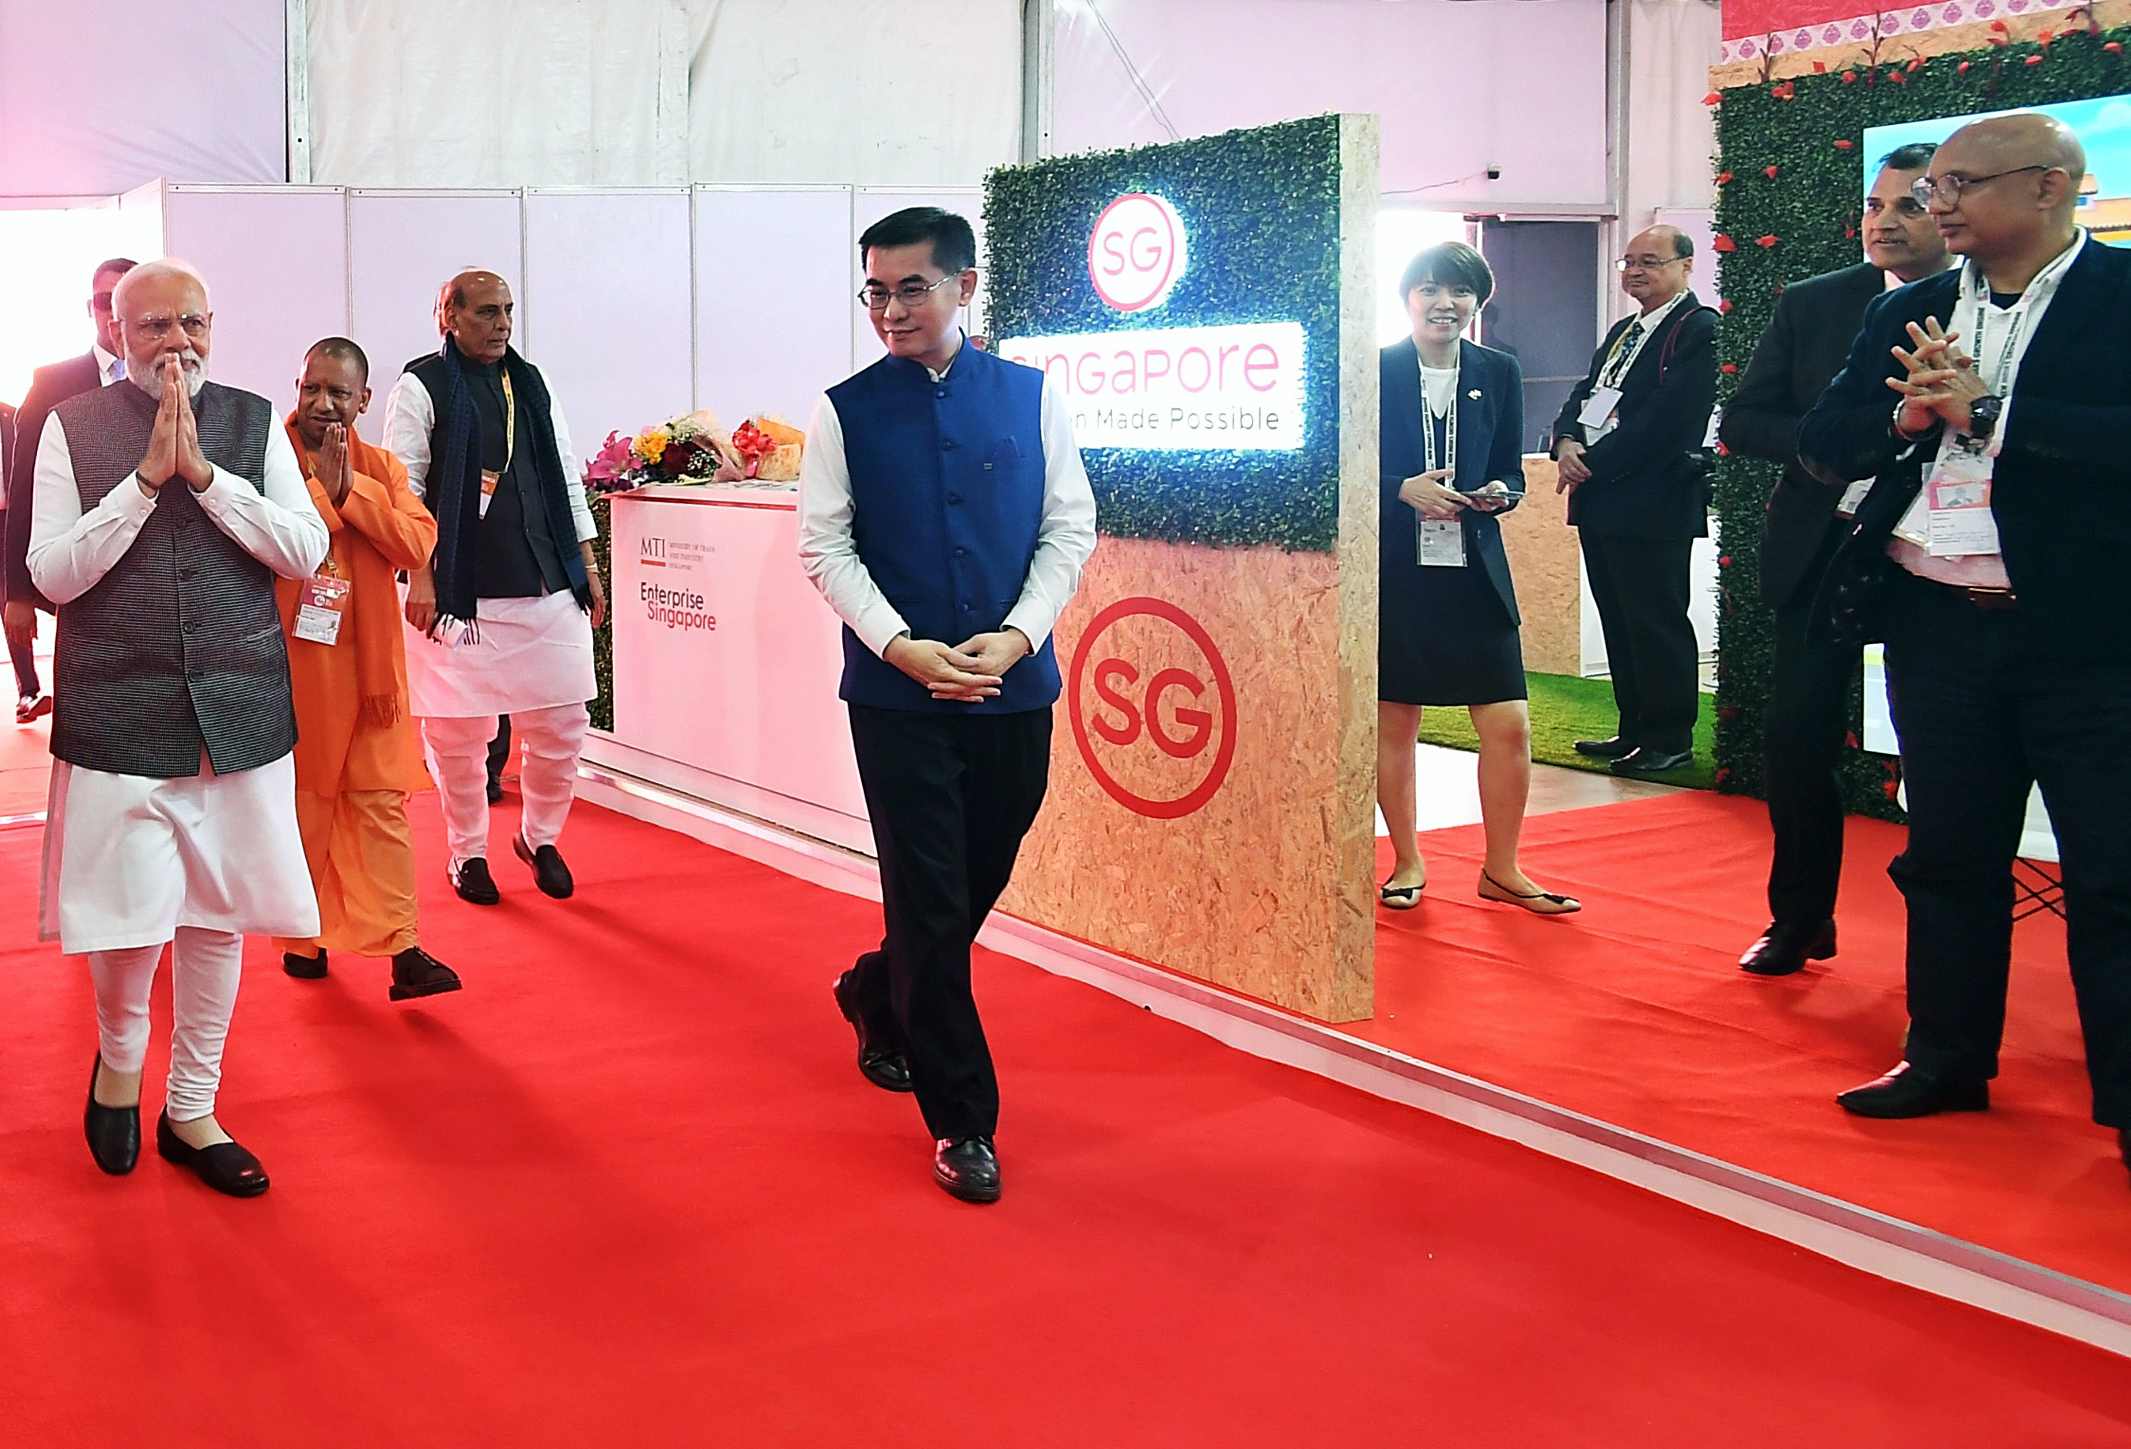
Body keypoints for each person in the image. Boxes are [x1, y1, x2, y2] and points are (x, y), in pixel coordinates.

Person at [1798, 113, 2131, 1179]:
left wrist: (1995, 412)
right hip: (1935, 624)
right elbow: (1819, 445)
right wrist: (1901, 422)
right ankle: (1943, 1058)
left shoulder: (2119, 299)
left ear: (2048, 188)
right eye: (1927, 184)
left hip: (2088, 638)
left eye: (1956, 185)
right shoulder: (1906, 310)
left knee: (2114, 872)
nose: (1933, 204)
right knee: (1945, 859)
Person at [799, 206, 1096, 1203]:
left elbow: (1069, 528)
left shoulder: (1031, 397)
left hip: (1016, 686)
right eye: (874, 291)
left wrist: (1019, 636)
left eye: (910, 288)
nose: (889, 309)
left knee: (977, 874)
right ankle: (962, 1119)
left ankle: (874, 991)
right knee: (927, 895)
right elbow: (824, 547)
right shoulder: (843, 411)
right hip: (896, 696)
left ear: (964, 287)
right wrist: (900, 647)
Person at [28, 259, 329, 1197]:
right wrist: (144, 482)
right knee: (130, 919)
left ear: (214, 325)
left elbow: (304, 550)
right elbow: (51, 574)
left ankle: (192, 1107)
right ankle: (120, 1056)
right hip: (120, 712)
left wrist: (203, 476)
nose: (177, 343)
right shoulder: (69, 428)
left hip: (239, 712)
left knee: (220, 915)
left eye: (191, 323)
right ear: (116, 335)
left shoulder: (246, 421)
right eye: (154, 326)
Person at [1720, 144, 1953, 977]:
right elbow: (1742, 422)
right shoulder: (1816, 303)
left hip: (1943, 552)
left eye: (1909, 206)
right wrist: (1841, 445)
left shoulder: (1987, 307)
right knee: (1796, 736)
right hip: (1822, 541)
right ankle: (1799, 919)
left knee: (1945, 743)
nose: (1885, 221)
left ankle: (1947, 945)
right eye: (1875, 205)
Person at [383, 270, 606, 906]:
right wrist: (419, 576)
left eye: (507, 310)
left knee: (563, 722)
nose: (502, 323)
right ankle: (468, 852)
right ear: (448, 318)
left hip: (546, 576)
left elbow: (564, 474)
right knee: (459, 736)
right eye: (486, 312)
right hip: (458, 593)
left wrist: (587, 565)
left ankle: (540, 838)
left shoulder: (530, 382)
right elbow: (406, 488)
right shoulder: (421, 383)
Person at [1376, 242, 1577, 917]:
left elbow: (1512, 472)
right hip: (1397, 574)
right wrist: (1398, 489)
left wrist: (1502, 490)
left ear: (1475, 302)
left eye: (1459, 292)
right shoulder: (1374, 369)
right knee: (1393, 722)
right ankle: (1406, 859)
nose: (1444, 303)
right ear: (1407, 297)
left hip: (1474, 571)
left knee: (1509, 724)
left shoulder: (1498, 369)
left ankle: (1502, 867)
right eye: (1429, 289)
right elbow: (1338, 467)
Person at [273, 337, 462, 1001]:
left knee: (383, 807)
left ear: (363, 401)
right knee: (308, 808)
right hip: (299, 672)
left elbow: (416, 539)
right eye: (310, 389)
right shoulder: (268, 462)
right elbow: (278, 545)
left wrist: (348, 489)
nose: (322, 404)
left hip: (374, 678)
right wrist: (322, 497)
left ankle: (403, 948)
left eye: (337, 392)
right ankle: (304, 936)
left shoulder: (380, 466)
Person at [1552, 226, 1718, 777]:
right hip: (1601, 498)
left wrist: (1594, 461)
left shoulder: (1698, 329)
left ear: (1686, 265)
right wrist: (1567, 442)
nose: (1635, 271)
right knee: (1619, 617)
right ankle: (1634, 727)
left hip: (1654, 499)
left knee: (1655, 619)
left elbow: (1669, 420)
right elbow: (1583, 394)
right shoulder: (1626, 330)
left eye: (1650, 261)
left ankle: (1669, 737)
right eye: (1628, 263)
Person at [6, 257, 137, 722]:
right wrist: (17, 593)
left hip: (150, 577)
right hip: (76, 566)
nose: (116, 315)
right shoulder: (53, 383)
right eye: (106, 302)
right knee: (85, 705)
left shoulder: (173, 380)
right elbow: (22, 488)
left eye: (129, 302)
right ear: (91, 307)